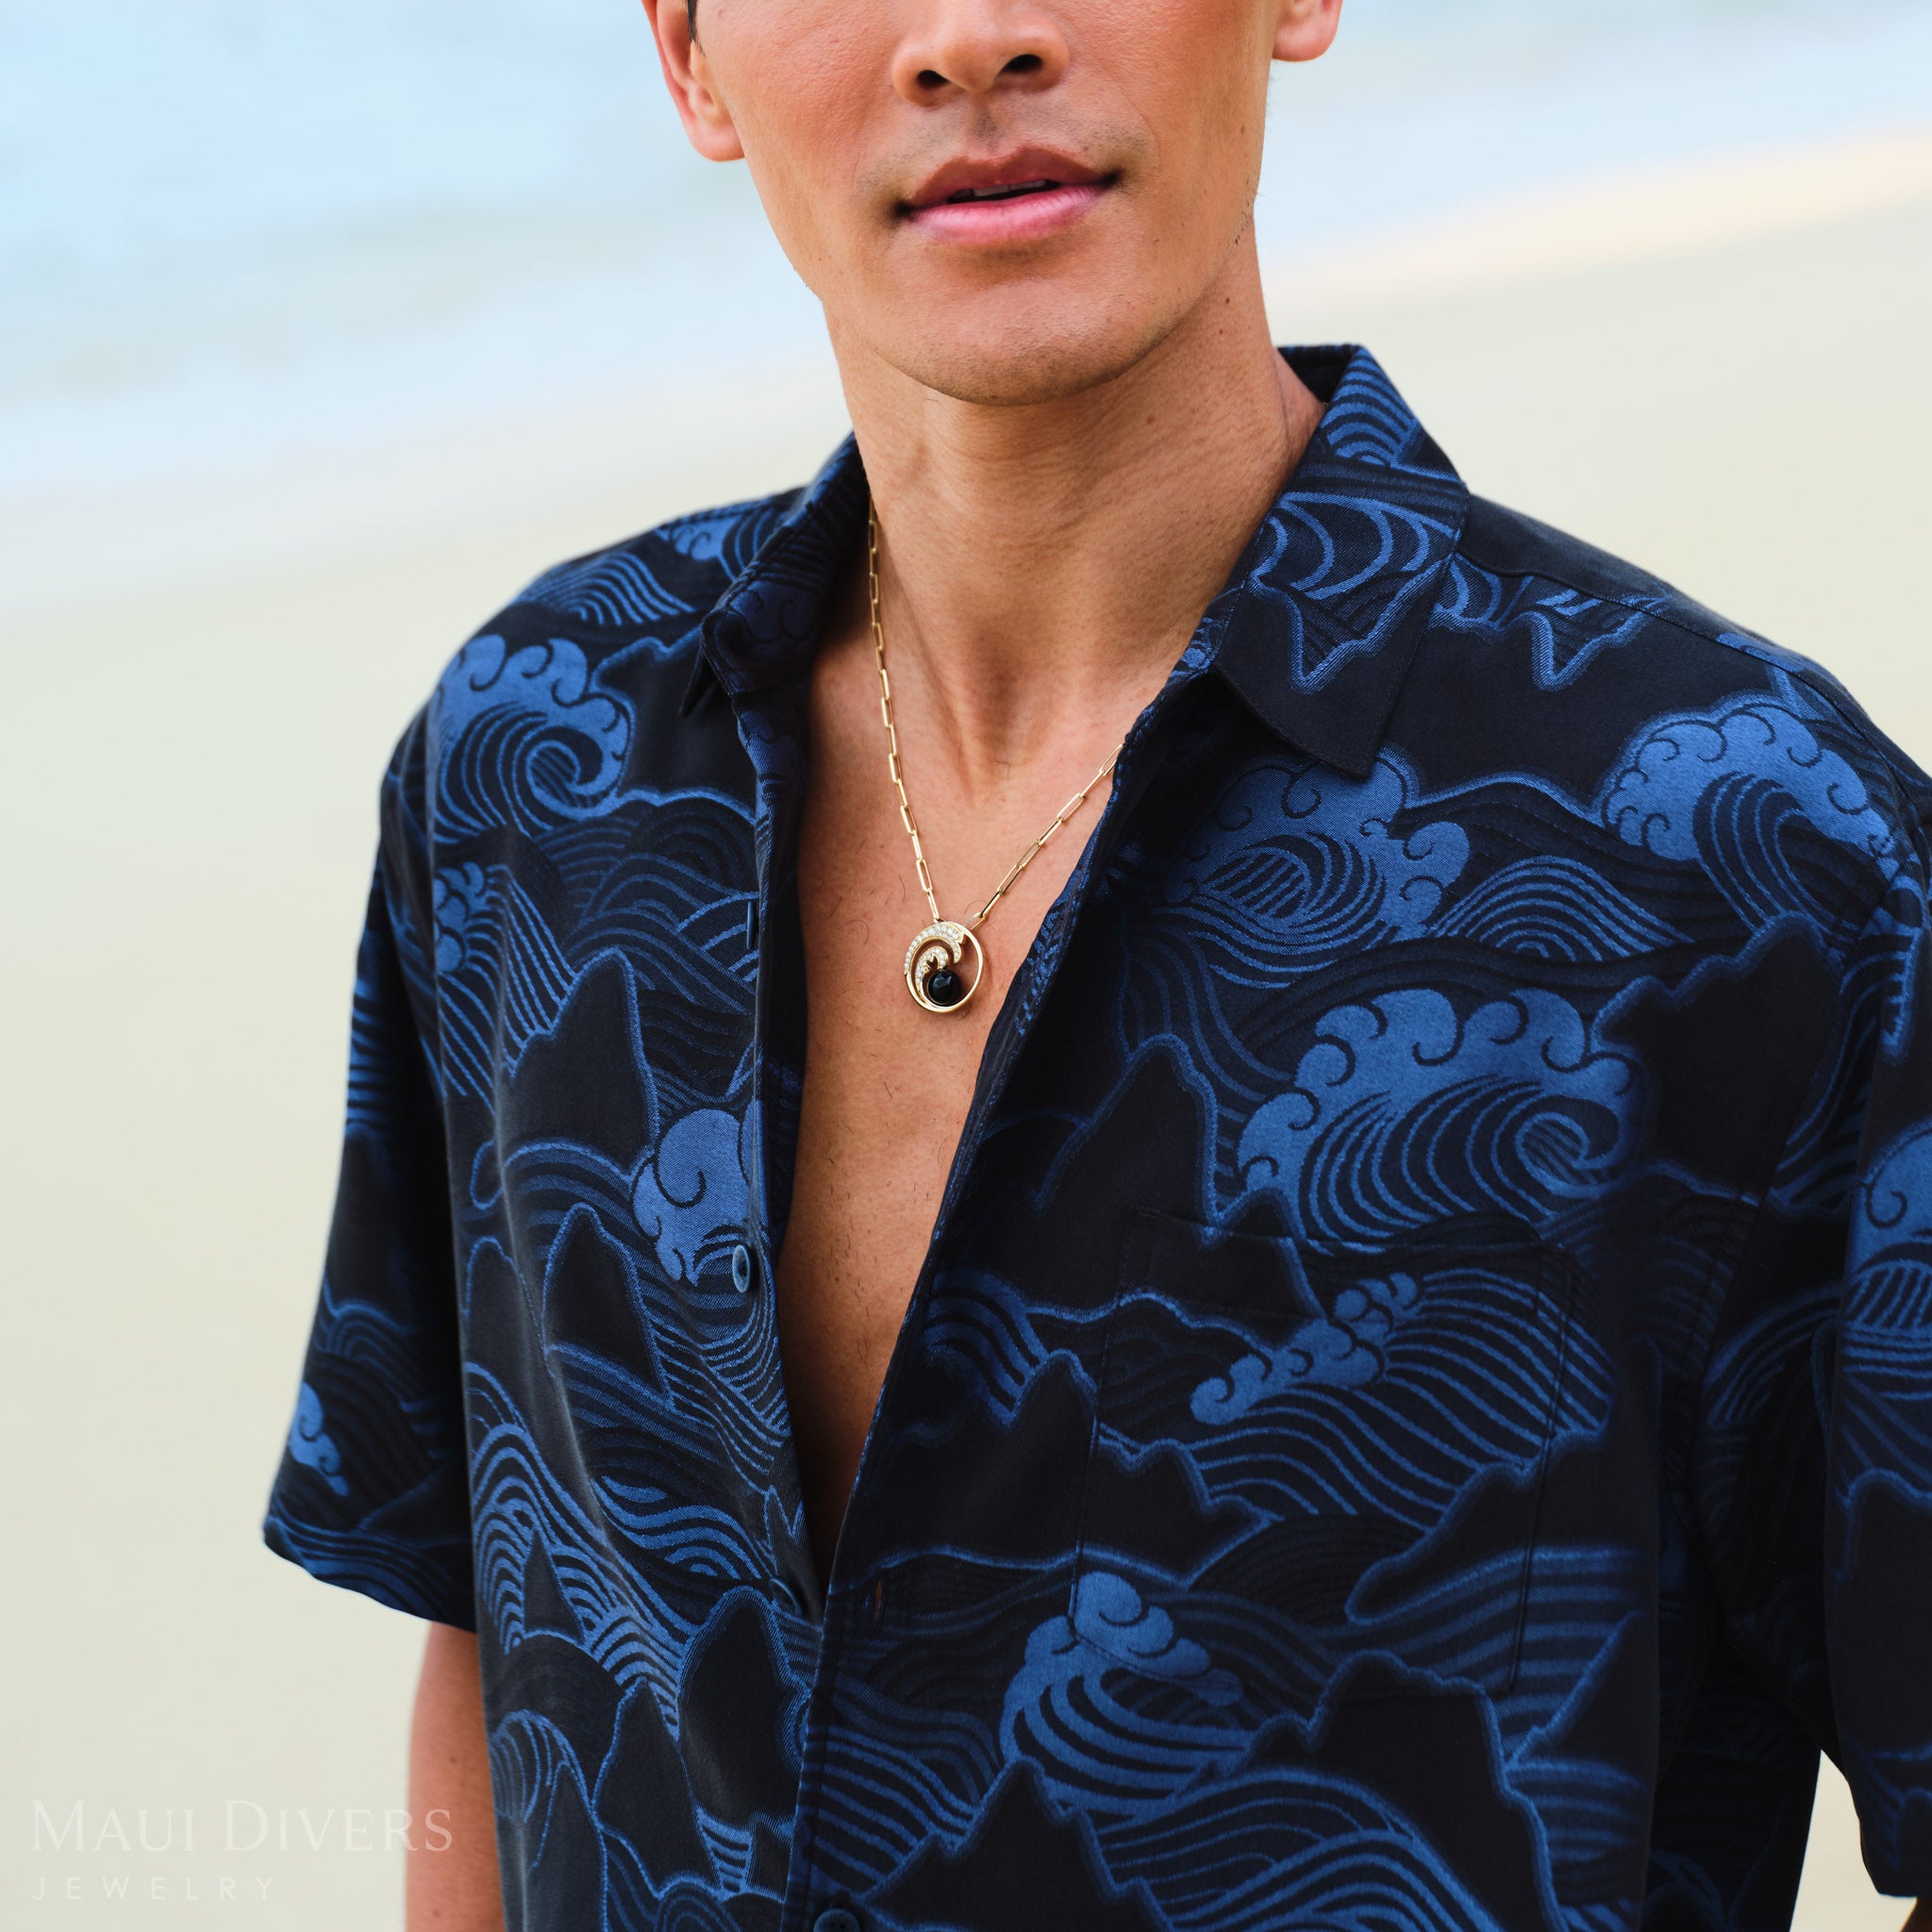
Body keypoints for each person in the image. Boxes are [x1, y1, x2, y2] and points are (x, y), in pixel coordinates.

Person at [261, 1, 1932, 1927]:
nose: (970, 39)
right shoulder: (536, 766)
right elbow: (506, 1631)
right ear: (688, 58)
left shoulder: (1744, 852)